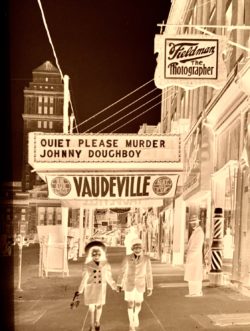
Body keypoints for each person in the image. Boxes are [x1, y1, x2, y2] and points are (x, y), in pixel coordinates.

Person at [72, 240, 116, 331]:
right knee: (91, 307)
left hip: (100, 288)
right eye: (94, 254)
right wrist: (79, 291)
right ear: (91, 255)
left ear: (102, 254)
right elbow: (84, 279)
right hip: (90, 288)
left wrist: (114, 286)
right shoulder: (87, 266)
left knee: (99, 306)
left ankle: (97, 321)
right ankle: (91, 325)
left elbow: (109, 277)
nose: (96, 256)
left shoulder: (106, 265)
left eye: (98, 254)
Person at [117, 238, 153, 331]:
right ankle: (131, 323)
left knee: (138, 304)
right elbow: (122, 271)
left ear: (142, 248)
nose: (137, 249)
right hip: (129, 284)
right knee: (130, 303)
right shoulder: (127, 258)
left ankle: (135, 315)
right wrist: (119, 284)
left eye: (139, 247)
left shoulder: (146, 259)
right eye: (135, 247)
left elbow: (149, 274)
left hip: (140, 284)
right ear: (132, 249)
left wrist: (149, 287)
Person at [184, 215, 205, 297]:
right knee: (192, 275)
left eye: (194, 223)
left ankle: (196, 292)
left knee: (195, 275)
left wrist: (190, 254)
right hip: (193, 257)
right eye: (192, 223)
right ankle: (193, 292)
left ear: (198, 222)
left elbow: (197, 246)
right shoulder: (195, 232)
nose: (193, 224)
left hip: (195, 257)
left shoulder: (199, 232)